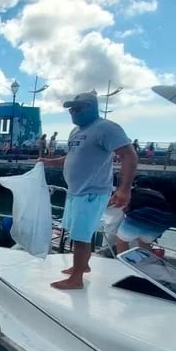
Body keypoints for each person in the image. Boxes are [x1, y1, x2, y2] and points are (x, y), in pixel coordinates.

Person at [39, 91, 137, 290]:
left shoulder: (106, 128)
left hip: (92, 192)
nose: (73, 112)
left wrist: (124, 189)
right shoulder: (75, 132)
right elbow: (71, 157)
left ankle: (76, 279)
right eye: (71, 109)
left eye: (78, 108)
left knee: (81, 236)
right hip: (75, 192)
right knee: (77, 232)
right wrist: (50, 162)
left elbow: (129, 155)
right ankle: (83, 266)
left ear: (92, 107)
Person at [113, 182, 175, 254]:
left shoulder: (124, 194)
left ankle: (124, 263)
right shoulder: (144, 192)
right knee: (144, 242)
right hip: (166, 218)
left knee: (121, 240)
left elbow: (124, 207)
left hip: (145, 213)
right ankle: (147, 262)